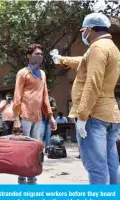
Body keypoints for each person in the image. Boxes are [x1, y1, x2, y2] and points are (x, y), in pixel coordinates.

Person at [52, 13, 120, 184]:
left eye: (84, 31)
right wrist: (62, 59)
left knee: (96, 166)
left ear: (89, 30)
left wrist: (82, 115)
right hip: (109, 113)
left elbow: (93, 82)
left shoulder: (97, 48)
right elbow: (84, 61)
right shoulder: (110, 47)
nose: (84, 34)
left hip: (93, 115)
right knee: (112, 164)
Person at [13, 43, 57, 184]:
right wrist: (16, 118)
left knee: (35, 149)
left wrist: (50, 117)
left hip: (38, 117)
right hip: (24, 115)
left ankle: (32, 177)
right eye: (36, 54)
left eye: (41, 54)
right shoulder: (22, 73)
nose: (39, 56)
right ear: (28, 56)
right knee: (24, 149)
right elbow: (17, 96)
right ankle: (22, 177)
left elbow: (45, 97)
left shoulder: (43, 74)